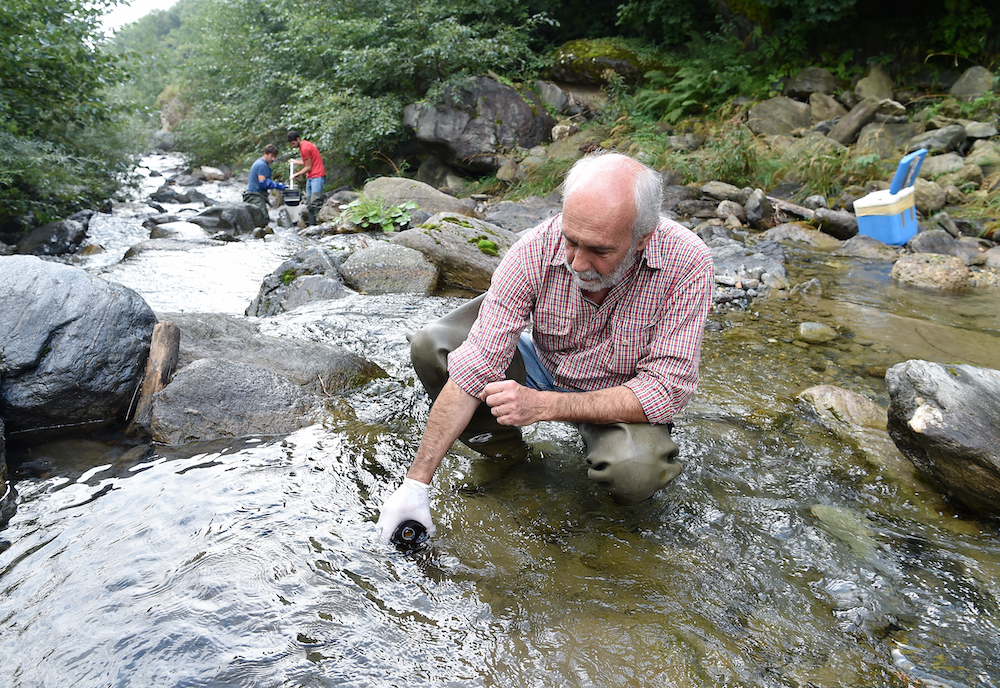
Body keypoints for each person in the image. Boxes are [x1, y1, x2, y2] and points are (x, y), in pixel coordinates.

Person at [376, 151, 715, 543]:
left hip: (621, 392)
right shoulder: (535, 247)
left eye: (599, 251)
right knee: (433, 346)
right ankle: (506, 458)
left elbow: (666, 390)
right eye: (571, 241)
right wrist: (415, 486)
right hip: (544, 364)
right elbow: (476, 366)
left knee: (635, 474)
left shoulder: (687, 263)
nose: (578, 263)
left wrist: (544, 407)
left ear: (643, 239)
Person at [287, 131, 326, 226]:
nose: (293, 146)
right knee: (309, 204)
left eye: (293, 143)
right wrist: (295, 161)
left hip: (317, 176)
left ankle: (319, 225)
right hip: (311, 177)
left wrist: (296, 174)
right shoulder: (303, 146)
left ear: (298, 139)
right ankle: (312, 227)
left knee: (315, 202)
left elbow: (308, 167)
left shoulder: (305, 148)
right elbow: (307, 162)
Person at [243, 144, 285, 215]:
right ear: (265, 154)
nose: (273, 159)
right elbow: (263, 183)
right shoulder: (261, 165)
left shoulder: (261, 163)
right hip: (255, 196)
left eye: (274, 157)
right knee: (262, 218)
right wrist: (277, 185)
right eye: (271, 156)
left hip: (254, 195)